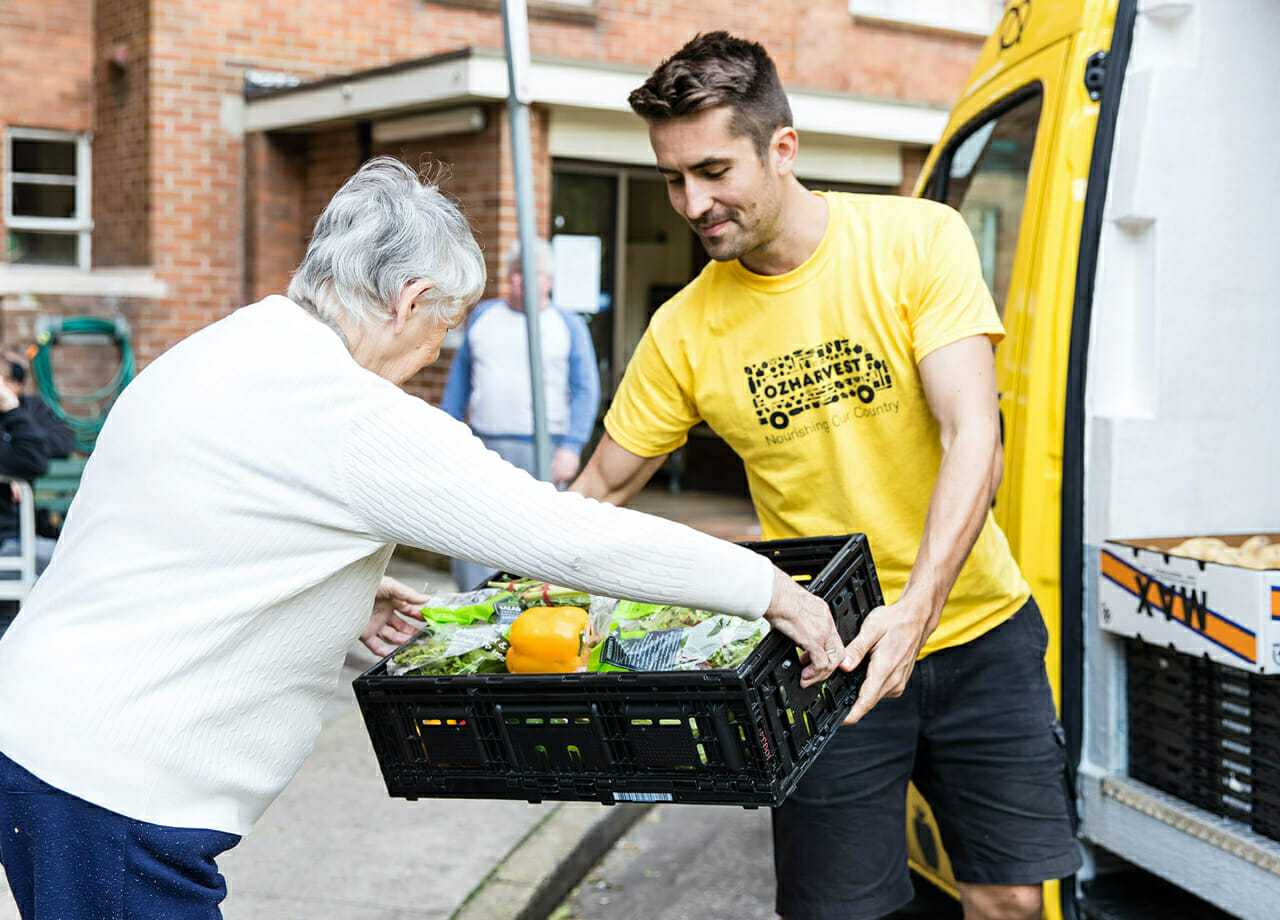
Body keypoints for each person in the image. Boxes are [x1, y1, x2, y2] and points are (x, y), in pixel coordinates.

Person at [0, 156, 851, 920]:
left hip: (44, 738)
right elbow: (565, 537)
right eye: (443, 328)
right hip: (111, 789)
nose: (435, 352)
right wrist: (768, 588)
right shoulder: (351, 415)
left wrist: (337, 585)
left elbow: (171, 514)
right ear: (410, 303)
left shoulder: (227, 344)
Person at [570, 32, 1081, 920]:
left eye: (714, 170)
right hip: (822, 658)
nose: (693, 202)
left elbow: (973, 434)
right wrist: (489, 588)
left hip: (977, 633)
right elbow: (600, 489)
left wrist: (917, 607)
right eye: (673, 178)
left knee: (1008, 901)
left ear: (783, 147)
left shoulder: (916, 239)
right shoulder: (686, 330)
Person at [441, 237, 600, 590]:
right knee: (474, 530)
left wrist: (571, 447)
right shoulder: (484, 317)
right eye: (515, 273)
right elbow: (458, 384)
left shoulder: (568, 325)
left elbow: (586, 390)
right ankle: (474, 600)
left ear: (549, 280)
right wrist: (446, 436)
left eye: (532, 273)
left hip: (544, 449)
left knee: (538, 538)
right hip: (485, 444)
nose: (521, 281)